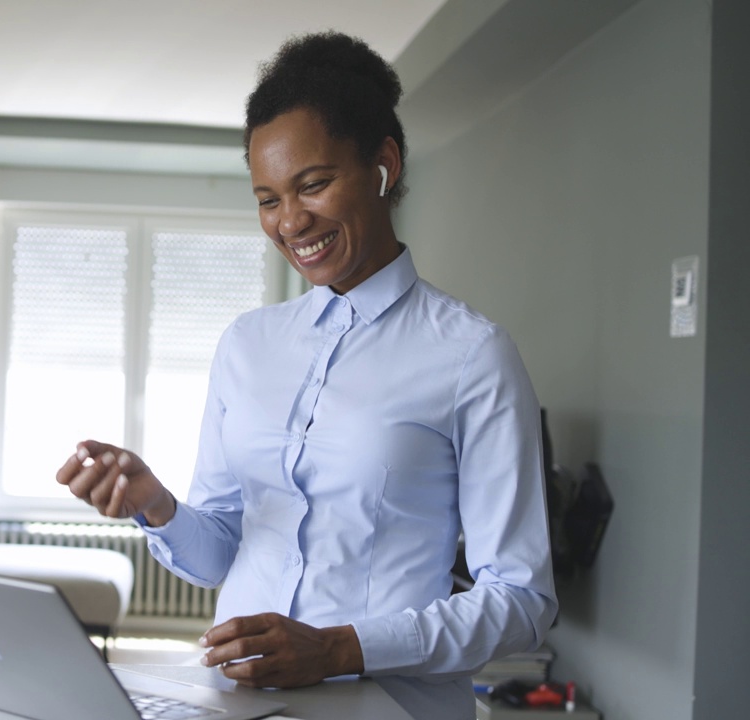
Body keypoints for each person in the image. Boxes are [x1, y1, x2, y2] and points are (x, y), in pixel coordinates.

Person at [54, 31, 557, 720]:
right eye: (267, 199)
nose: (291, 222)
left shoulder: (471, 355)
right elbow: (220, 555)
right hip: (231, 702)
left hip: (388, 706)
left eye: (313, 184)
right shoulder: (247, 345)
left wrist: (342, 648)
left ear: (383, 164)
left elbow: (523, 601)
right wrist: (157, 504)